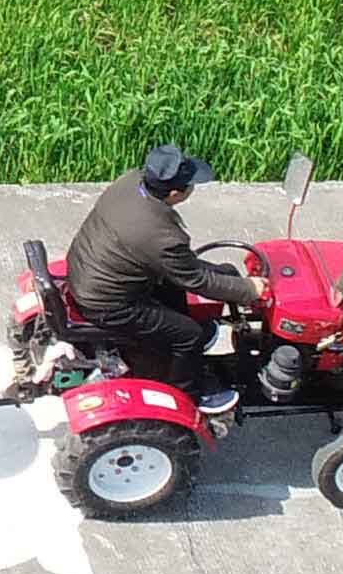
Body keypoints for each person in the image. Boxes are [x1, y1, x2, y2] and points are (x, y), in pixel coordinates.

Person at [60, 145, 261, 406]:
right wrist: (250, 290)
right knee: (188, 335)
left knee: (193, 279)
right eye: (191, 184)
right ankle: (189, 396)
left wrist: (232, 280)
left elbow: (182, 268)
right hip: (107, 304)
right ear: (176, 193)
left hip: (91, 270)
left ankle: (175, 341)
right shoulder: (162, 236)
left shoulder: (130, 182)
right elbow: (195, 279)